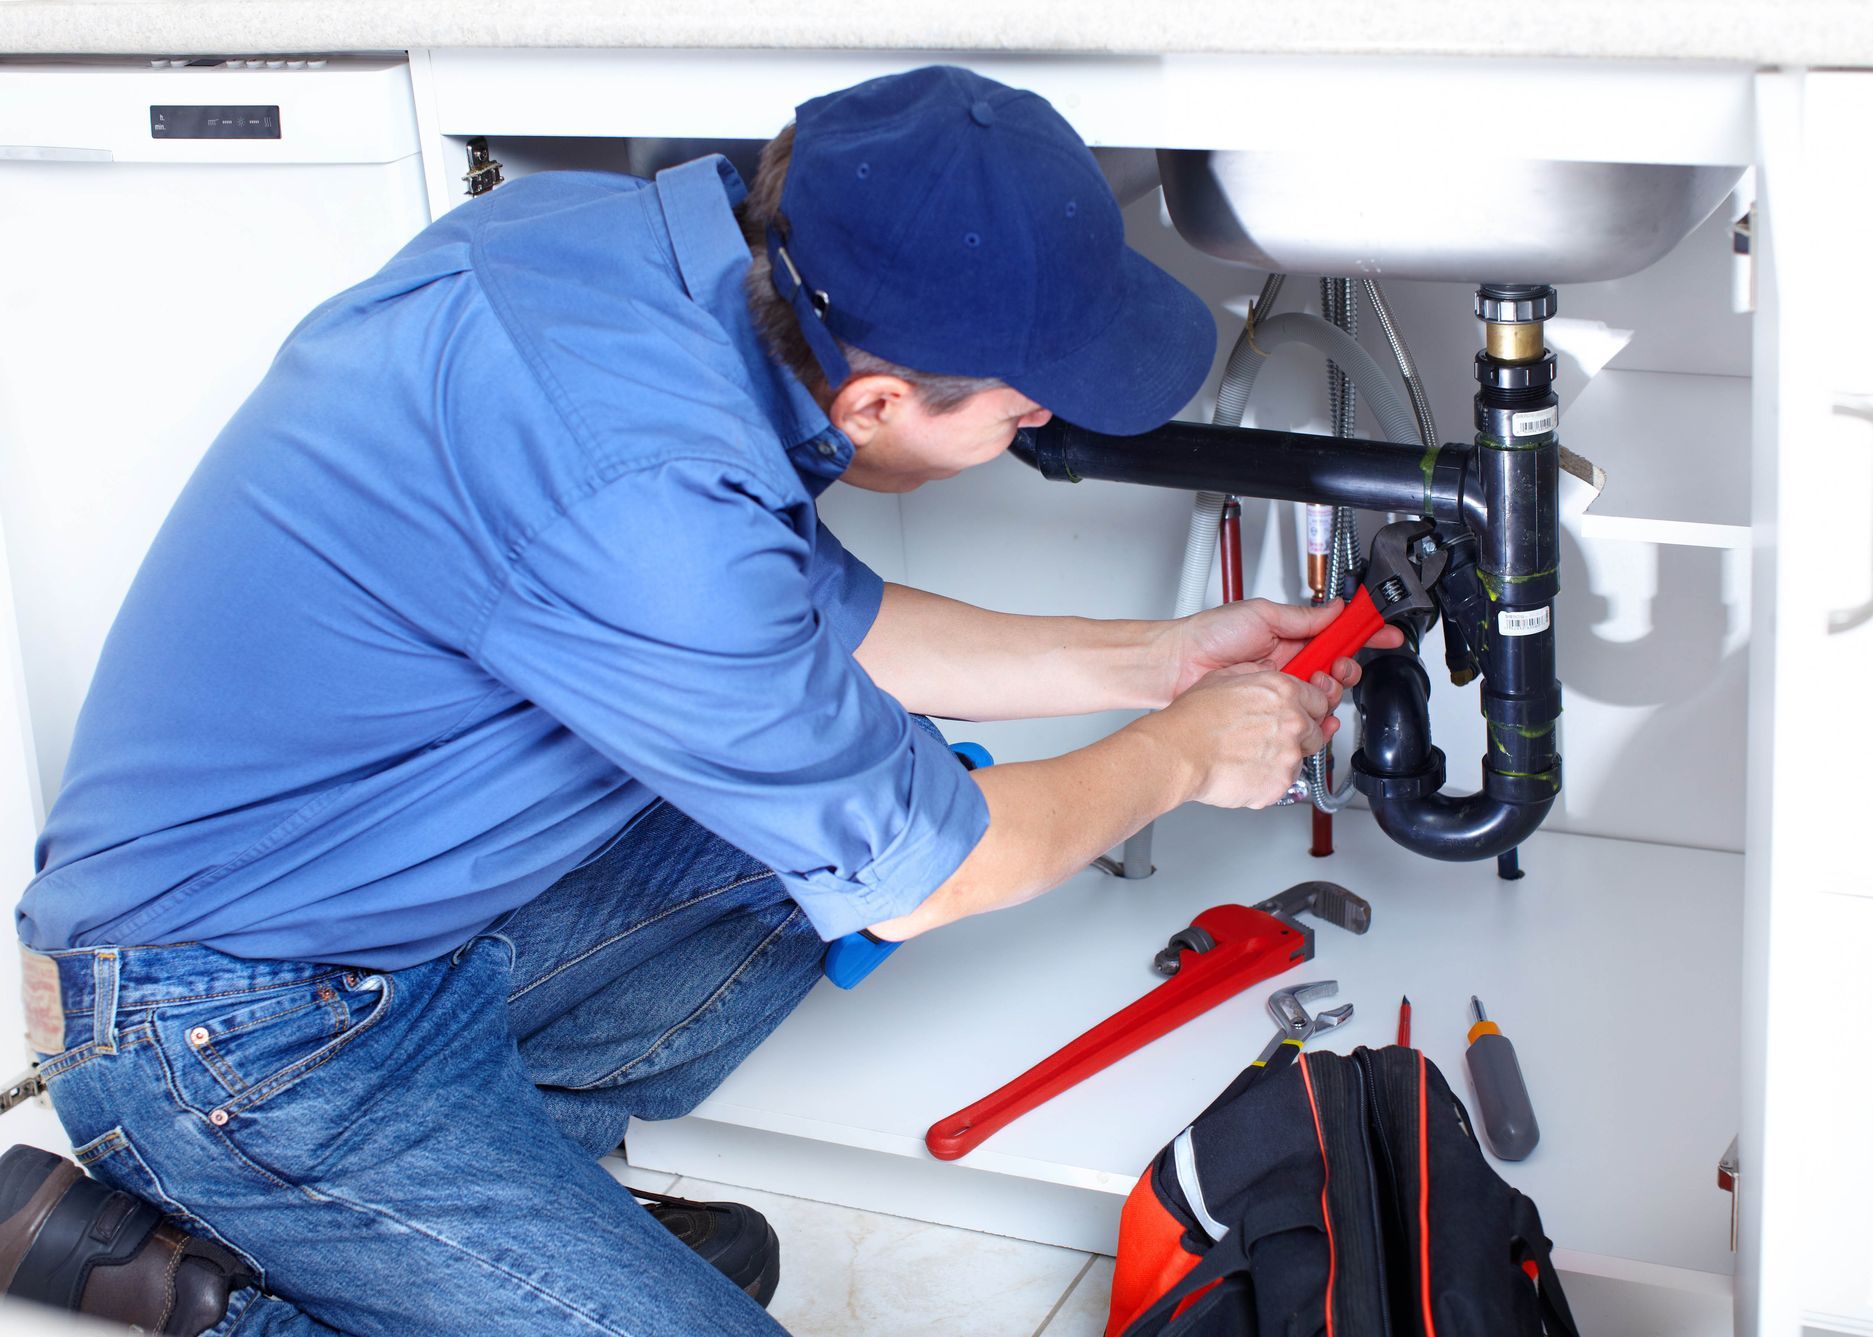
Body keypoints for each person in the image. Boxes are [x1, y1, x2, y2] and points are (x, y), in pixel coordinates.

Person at [2, 65, 1392, 1334]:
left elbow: (818, 631)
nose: (1034, 433)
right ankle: (231, 1290)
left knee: (845, 807)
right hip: (228, 1035)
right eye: (1020, 416)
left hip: (388, 924)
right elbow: (941, 869)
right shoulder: (650, 504)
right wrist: (1182, 754)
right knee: (890, 846)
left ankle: (466, 1229)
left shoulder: (621, 260)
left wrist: (1159, 659)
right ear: (879, 405)